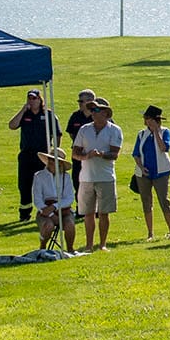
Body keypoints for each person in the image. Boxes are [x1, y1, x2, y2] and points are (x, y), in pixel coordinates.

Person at [72, 98, 123, 251]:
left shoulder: (114, 130)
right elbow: (75, 152)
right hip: (86, 177)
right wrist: (86, 157)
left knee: (103, 213)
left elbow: (115, 154)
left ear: (106, 113)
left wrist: (100, 155)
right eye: (92, 110)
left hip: (105, 177)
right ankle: (89, 245)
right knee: (87, 213)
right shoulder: (84, 129)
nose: (93, 113)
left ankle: (102, 244)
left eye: (96, 110)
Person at [7, 89, 61, 222]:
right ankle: (24, 213)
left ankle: (45, 211)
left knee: (44, 184)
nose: (32, 101)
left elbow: (57, 134)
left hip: (43, 155)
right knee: (24, 184)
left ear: (40, 99)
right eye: (29, 98)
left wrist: (54, 151)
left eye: (34, 98)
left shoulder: (48, 115)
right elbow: (12, 125)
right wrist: (23, 109)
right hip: (26, 154)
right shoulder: (25, 115)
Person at [132, 105, 170, 239]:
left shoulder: (165, 132)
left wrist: (156, 131)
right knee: (146, 202)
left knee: (164, 200)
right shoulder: (141, 134)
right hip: (144, 173)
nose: (145, 121)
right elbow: (136, 154)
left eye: (147, 118)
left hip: (161, 172)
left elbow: (164, 148)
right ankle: (150, 233)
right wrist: (141, 167)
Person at [32, 150, 77, 252]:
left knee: (70, 224)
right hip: (45, 210)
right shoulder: (39, 176)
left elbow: (69, 198)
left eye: (55, 161)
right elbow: (37, 200)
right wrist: (51, 214)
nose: (52, 163)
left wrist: (55, 207)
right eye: (51, 160)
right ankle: (42, 247)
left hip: (63, 209)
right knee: (48, 226)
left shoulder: (66, 177)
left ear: (61, 164)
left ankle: (70, 249)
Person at [66, 90, 97, 195]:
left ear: (90, 102)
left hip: (94, 156)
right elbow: (71, 133)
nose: (79, 103)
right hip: (78, 155)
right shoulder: (75, 116)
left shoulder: (99, 115)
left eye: (81, 101)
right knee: (77, 181)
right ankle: (80, 209)